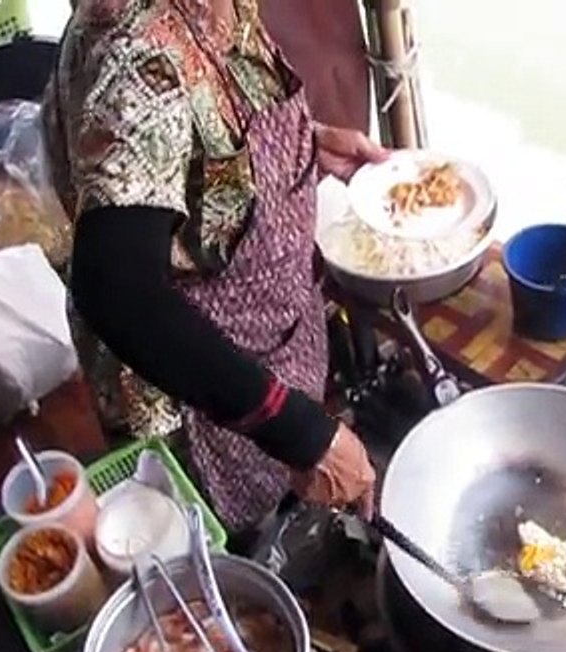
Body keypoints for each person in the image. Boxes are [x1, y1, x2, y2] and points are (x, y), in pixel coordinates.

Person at [42, 0, 385, 536]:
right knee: (213, 544)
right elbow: (117, 287)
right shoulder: (139, 54)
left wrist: (302, 142)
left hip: (270, 334)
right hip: (192, 387)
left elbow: (198, 130)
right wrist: (301, 434)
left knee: (270, 496)